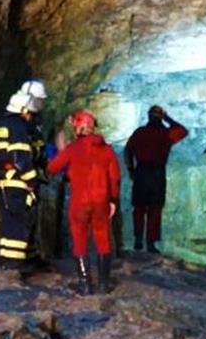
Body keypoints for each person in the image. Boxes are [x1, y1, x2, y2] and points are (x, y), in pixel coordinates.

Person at [47, 110, 121, 294]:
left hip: (80, 201)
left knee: (79, 239)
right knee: (103, 239)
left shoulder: (73, 149)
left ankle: (85, 284)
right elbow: (115, 177)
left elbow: (52, 168)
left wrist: (61, 151)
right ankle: (104, 284)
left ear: (79, 128)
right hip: (101, 200)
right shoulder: (107, 150)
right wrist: (113, 200)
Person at [0, 91, 46, 273]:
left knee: (8, 222)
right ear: (22, 110)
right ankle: (14, 265)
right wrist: (32, 180)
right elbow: (20, 157)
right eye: (29, 112)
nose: (30, 116)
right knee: (18, 224)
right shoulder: (18, 127)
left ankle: (6, 261)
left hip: (2, 182)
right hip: (17, 182)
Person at [123, 105, 188, 253]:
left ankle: (138, 239)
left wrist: (131, 169)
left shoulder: (140, 132)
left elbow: (128, 151)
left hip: (141, 171)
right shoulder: (165, 133)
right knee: (155, 209)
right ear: (160, 117)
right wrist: (168, 118)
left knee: (139, 208)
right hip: (156, 173)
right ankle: (150, 243)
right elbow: (183, 131)